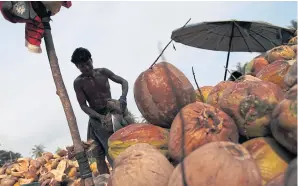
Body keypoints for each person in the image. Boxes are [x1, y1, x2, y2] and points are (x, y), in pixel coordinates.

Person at [71, 47, 129, 174]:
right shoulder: (79, 83)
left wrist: (123, 98)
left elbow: (123, 82)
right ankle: (108, 179)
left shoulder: (103, 72)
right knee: (101, 153)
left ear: (91, 60)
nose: (86, 68)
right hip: (97, 118)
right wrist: (99, 117)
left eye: (87, 63)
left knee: (119, 146)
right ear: (77, 67)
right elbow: (83, 105)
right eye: (82, 66)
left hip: (111, 112)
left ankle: (124, 175)